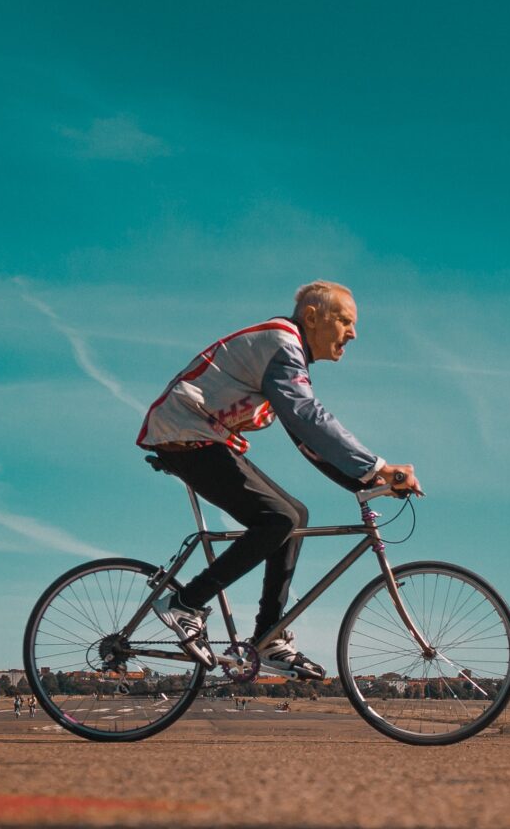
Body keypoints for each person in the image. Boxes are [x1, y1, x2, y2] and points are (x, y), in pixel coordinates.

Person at [135, 280, 417, 679]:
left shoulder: (284, 354)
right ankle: (185, 602)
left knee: (294, 516)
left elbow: (306, 439)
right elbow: (309, 418)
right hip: (184, 434)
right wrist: (377, 466)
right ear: (313, 317)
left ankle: (269, 636)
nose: (353, 333)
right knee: (278, 519)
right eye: (345, 321)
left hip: (201, 436)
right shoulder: (283, 344)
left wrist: (367, 482)